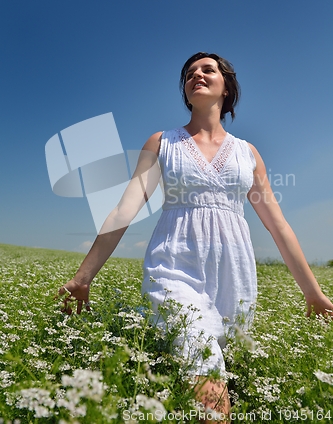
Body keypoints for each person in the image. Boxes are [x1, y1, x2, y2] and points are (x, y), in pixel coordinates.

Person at [58, 52, 333, 422]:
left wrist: (313, 292)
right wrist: (82, 277)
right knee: (207, 379)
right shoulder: (163, 142)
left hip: (233, 281)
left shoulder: (247, 153)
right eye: (189, 74)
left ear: (226, 87)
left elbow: (278, 225)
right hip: (174, 271)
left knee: (205, 371)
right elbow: (124, 209)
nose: (196, 75)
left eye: (207, 70)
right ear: (186, 93)